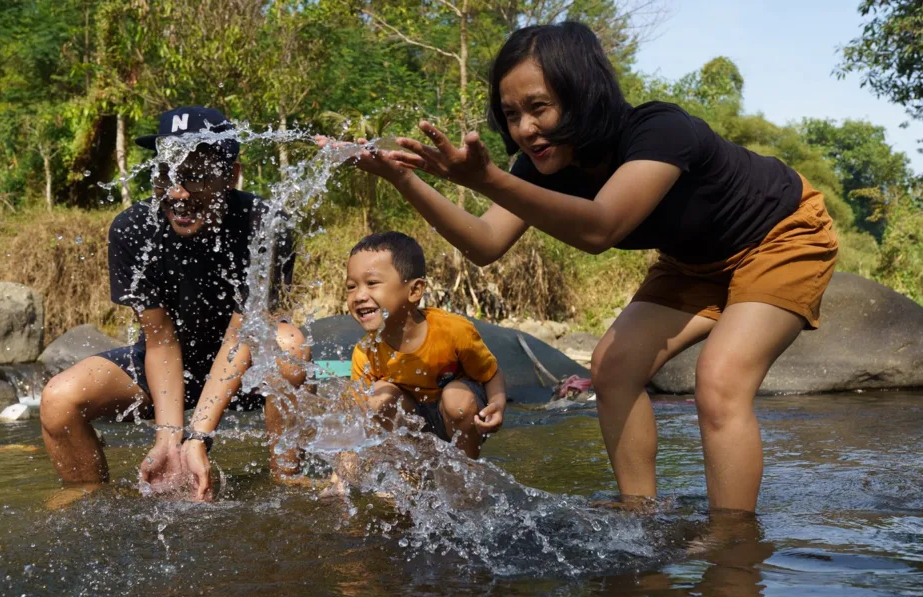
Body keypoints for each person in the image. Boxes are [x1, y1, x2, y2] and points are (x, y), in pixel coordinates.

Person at [329, 22, 838, 513]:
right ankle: (639, 508)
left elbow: (601, 228)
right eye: (510, 115)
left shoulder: (660, 130)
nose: (524, 129)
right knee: (612, 368)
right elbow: (485, 244)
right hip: (692, 262)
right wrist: (403, 180)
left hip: (781, 234)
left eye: (539, 108)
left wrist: (485, 179)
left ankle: (733, 544)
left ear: (582, 95)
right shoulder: (539, 163)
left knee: (720, 380)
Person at [41, 106, 310, 502]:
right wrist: (169, 440)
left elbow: (242, 337)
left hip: (244, 365)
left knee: (290, 347)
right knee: (59, 398)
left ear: (231, 175)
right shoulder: (134, 229)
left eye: (196, 175)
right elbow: (161, 341)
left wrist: (198, 437)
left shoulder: (265, 225)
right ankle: (90, 499)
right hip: (167, 366)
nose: (178, 192)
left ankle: (287, 482)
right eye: (166, 173)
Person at [346, 231, 507, 459]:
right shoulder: (366, 352)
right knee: (378, 400)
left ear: (414, 291)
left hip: (458, 416)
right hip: (413, 424)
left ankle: (467, 476)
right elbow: (358, 422)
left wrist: (497, 406)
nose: (359, 295)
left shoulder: (453, 331)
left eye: (372, 283)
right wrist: (339, 482)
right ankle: (406, 480)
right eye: (351, 286)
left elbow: (490, 374)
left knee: (456, 399)